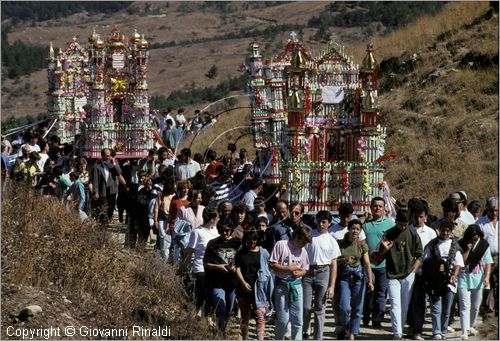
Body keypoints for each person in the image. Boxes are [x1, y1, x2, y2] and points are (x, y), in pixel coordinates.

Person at [379, 209, 423, 340]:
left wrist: (413, 271)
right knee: (394, 303)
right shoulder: (388, 233)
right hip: (392, 274)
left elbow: (419, 254)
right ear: (396, 220)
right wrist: (384, 249)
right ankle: (397, 333)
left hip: (408, 274)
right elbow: (378, 255)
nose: (403, 226)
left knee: (404, 304)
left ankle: (400, 329)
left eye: (405, 224)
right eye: (400, 224)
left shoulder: (413, 233)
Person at [422, 220, 464, 340]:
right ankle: (436, 332)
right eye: (443, 230)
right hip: (435, 281)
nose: (445, 233)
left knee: (446, 309)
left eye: (448, 231)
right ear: (439, 230)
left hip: (450, 281)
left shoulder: (455, 245)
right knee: (436, 307)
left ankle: (443, 330)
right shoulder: (432, 245)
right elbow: (426, 261)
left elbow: (459, 263)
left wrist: (454, 275)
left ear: (451, 232)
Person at [303, 210, 341, 340]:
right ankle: (305, 330)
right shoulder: (310, 235)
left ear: (329, 223)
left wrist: (332, 286)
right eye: (319, 221)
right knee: (306, 306)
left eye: (324, 222)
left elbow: (334, 264)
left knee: (320, 308)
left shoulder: (331, 240)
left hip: (323, 272)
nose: (321, 224)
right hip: (308, 272)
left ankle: (318, 337)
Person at [269, 225, 312, 340]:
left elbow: (306, 268)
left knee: (298, 320)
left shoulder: (302, 251)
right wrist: (288, 269)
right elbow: (272, 264)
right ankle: (279, 338)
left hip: (296, 285)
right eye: (303, 242)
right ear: (297, 237)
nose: (304, 246)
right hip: (282, 285)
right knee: (283, 320)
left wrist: (301, 273)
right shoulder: (281, 245)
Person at [336, 219, 374, 340]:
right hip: (344, 277)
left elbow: (367, 263)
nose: (355, 231)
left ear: (360, 231)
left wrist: (370, 281)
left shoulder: (362, 245)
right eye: (353, 228)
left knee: (358, 307)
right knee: (344, 307)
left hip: (359, 277)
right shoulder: (340, 243)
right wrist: (344, 260)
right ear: (348, 228)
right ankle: (346, 327)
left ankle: (353, 332)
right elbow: (333, 262)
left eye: (358, 229)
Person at [178, 207, 220, 317]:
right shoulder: (197, 232)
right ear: (212, 219)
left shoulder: (215, 231)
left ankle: (208, 317)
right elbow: (189, 252)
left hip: (213, 267)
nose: (219, 219)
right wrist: (182, 268)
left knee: (211, 294)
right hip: (200, 267)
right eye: (217, 217)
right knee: (202, 293)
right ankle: (194, 314)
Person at [408, 199, 438, 340]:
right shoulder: (407, 230)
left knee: (426, 303)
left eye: (421, 216)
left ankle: (427, 330)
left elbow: (434, 254)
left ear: (426, 216)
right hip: (409, 272)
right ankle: (413, 328)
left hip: (426, 273)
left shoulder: (431, 233)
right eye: (415, 216)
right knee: (413, 302)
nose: (418, 219)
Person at [203, 221, 241, 334]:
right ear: (219, 230)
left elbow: (243, 262)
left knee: (228, 309)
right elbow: (205, 263)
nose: (226, 232)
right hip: (216, 282)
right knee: (221, 308)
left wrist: (236, 269)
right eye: (224, 230)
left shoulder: (238, 243)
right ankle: (221, 333)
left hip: (232, 282)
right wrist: (218, 267)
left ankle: (223, 327)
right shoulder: (213, 243)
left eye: (228, 230)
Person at [235, 229, 273, 340]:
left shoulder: (263, 252)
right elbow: (237, 269)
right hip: (243, 288)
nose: (252, 243)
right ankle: (245, 337)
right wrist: (243, 283)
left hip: (259, 289)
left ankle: (260, 338)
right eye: (249, 240)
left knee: (260, 316)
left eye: (254, 240)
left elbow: (269, 268)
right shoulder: (241, 252)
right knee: (245, 317)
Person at [362, 197, 394, 328]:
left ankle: (377, 319)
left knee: (381, 293)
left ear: (384, 208)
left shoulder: (390, 224)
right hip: (368, 265)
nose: (378, 208)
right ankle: (365, 315)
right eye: (375, 206)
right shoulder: (365, 225)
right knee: (367, 291)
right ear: (371, 207)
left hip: (383, 265)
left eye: (380, 206)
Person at [458, 224, 493, 339]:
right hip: (463, 278)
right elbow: (461, 262)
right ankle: (464, 330)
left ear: (479, 235)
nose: (474, 237)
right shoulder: (461, 243)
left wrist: (487, 277)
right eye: (472, 235)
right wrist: (468, 249)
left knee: (476, 306)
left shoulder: (484, 245)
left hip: (478, 279)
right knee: (464, 306)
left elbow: (488, 262)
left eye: (476, 235)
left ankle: (471, 326)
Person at [476, 197, 498, 318]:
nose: (494, 213)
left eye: (497, 210)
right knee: (488, 285)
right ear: (487, 209)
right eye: (492, 210)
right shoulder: (480, 223)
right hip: (487, 258)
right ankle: (489, 313)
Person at [90, 148, 124, 225]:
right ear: (102, 156)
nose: (108, 157)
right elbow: (95, 180)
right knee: (103, 208)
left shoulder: (113, 164)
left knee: (111, 208)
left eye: (109, 155)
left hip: (112, 189)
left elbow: (119, 172)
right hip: (103, 189)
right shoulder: (97, 166)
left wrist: (114, 164)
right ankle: (103, 223)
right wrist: (96, 191)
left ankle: (108, 220)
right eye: (107, 156)